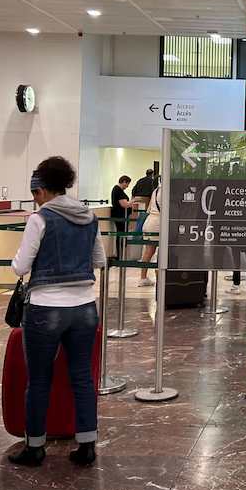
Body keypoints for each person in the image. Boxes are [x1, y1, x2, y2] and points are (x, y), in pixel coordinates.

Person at [9, 156, 106, 468]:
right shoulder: (89, 217)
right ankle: (87, 444)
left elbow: (21, 267)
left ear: (42, 189)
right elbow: (100, 260)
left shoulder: (40, 219)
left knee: (38, 378)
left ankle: (35, 447)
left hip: (45, 308)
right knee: (82, 377)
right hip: (85, 307)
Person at [138, 182, 162, 286]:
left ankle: (143, 278)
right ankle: (159, 279)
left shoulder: (156, 190)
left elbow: (149, 209)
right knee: (161, 251)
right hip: (158, 223)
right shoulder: (166, 191)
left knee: (149, 251)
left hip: (149, 221)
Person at [130, 169, 157, 234]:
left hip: (136, 200)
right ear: (152, 174)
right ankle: (139, 232)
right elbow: (152, 191)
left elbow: (134, 190)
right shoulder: (152, 181)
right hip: (146, 200)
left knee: (137, 217)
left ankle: (134, 230)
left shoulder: (140, 180)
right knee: (144, 216)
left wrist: (133, 198)